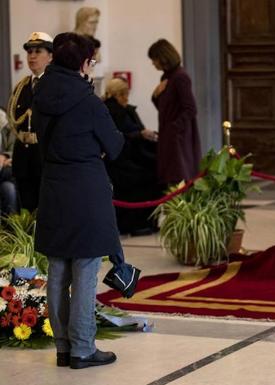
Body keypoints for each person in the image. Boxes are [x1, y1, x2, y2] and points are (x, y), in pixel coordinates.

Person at [31, 32, 123, 369]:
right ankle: (83, 348)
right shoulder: (88, 101)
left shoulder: (39, 93)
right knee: (85, 268)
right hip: (85, 188)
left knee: (58, 268)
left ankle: (63, 348)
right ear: (83, 63)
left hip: (53, 185)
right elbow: (114, 146)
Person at [103, 77, 160, 234]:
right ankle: (138, 223)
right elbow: (121, 135)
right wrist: (140, 134)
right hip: (120, 163)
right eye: (124, 94)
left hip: (130, 158)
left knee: (154, 170)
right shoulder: (113, 110)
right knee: (149, 177)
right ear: (117, 94)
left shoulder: (125, 109)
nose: (127, 98)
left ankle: (146, 222)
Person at [6, 32, 53, 211]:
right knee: (26, 207)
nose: (32, 56)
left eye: (38, 51)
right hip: (24, 158)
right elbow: (14, 119)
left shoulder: (54, 85)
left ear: (50, 56)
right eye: (29, 52)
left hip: (45, 156)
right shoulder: (22, 86)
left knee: (46, 209)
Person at [148, 38, 201, 185]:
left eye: (154, 59)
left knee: (178, 178)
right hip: (169, 135)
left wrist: (174, 128)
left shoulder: (180, 77)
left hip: (178, 139)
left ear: (163, 57)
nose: (153, 63)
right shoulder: (168, 77)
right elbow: (166, 108)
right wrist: (155, 96)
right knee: (169, 178)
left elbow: (190, 109)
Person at [0, 108, 17, 217]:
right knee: (13, 172)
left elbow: (12, 148)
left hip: (3, 172)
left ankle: (10, 231)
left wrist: (4, 156)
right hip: (4, 170)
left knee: (9, 189)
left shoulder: (4, 120)